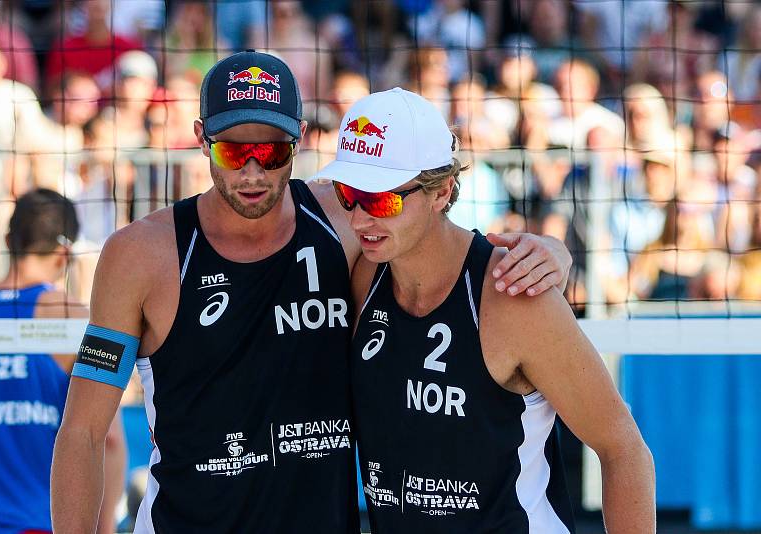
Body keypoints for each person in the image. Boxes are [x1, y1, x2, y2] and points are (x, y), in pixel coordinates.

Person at [51, 51, 573, 533]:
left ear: (299, 137)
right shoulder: (141, 255)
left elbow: (437, 235)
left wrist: (550, 251)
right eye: (235, 151)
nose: (253, 171)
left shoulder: (343, 219)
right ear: (201, 137)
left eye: (272, 151)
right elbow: (82, 432)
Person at [321, 88, 656, 532]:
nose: (362, 218)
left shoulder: (514, 294)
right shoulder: (363, 273)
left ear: (442, 192)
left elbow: (624, 449)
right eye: (349, 193)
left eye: (383, 200)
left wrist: (557, 251)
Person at [0, 189, 125, 534]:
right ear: (65, 253)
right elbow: (108, 440)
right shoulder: (78, 320)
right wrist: (105, 527)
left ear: (9, 240)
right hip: (39, 525)